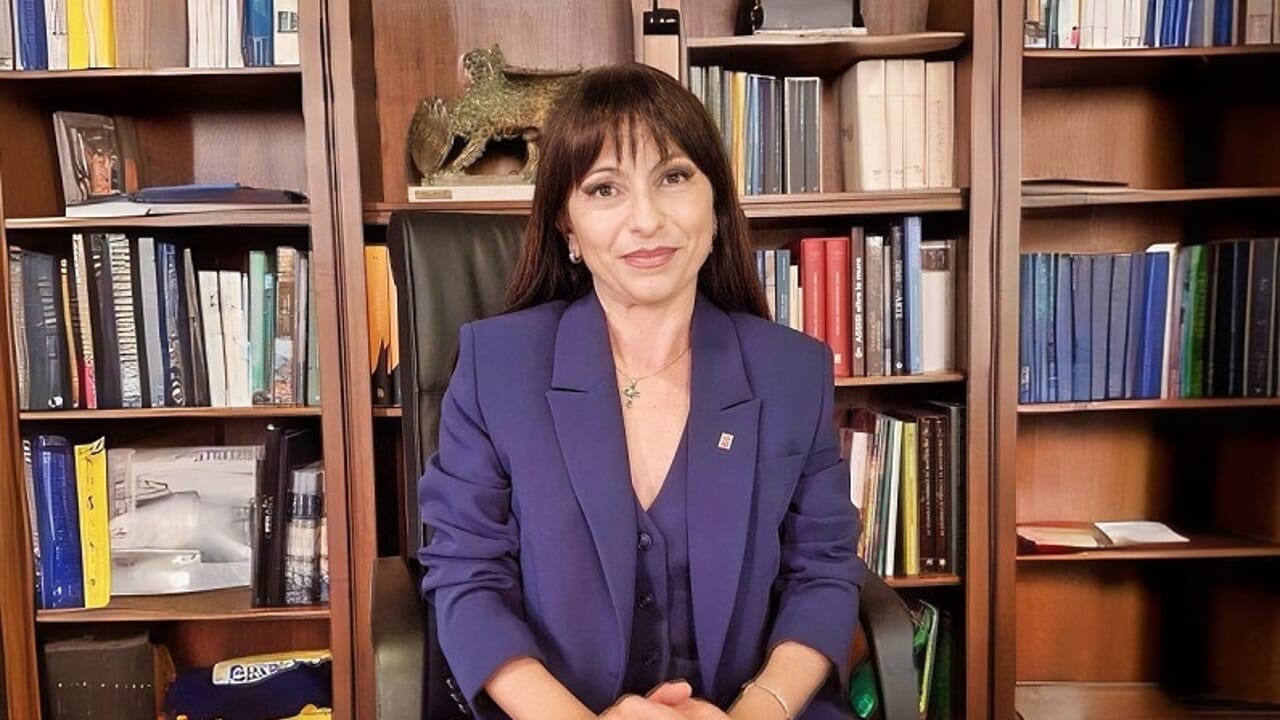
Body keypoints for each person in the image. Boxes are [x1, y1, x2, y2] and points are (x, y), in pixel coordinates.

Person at [419, 62, 866, 720]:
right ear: (567, 225)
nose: (646, 220)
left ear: (715, 205)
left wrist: (757, 710)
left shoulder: (791, 372)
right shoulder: (497, 367)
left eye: (674, 177)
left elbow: (822, 570)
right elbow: (466, 574)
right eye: (605, 189)